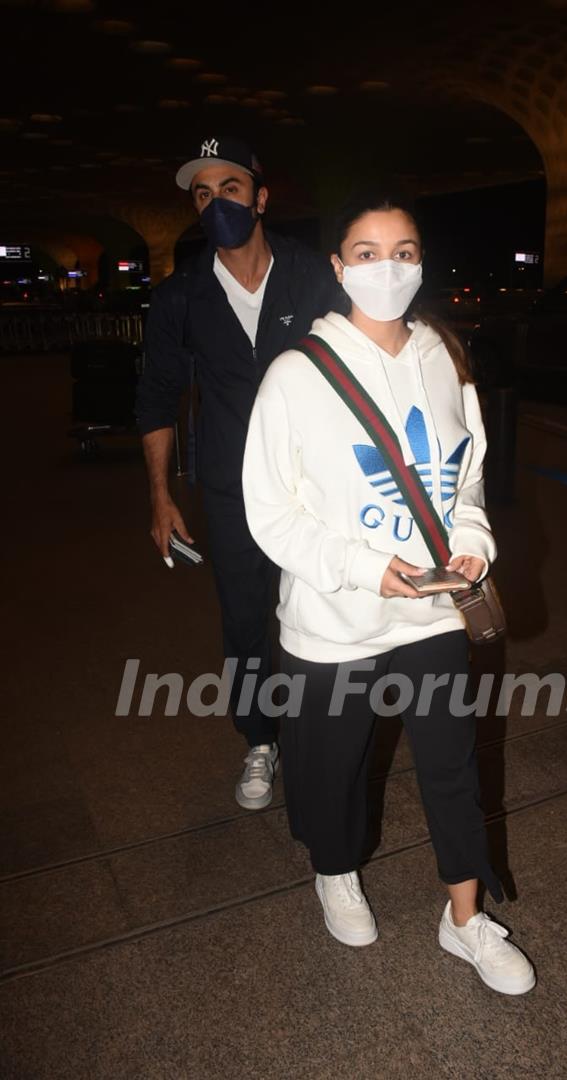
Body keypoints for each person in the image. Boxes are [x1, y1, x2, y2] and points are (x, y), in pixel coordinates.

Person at [242, 192, 536, 995]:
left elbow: (464, 476)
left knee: (452, 767)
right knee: (331, 770)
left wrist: (472, 543)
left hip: (431, 612)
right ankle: (334, 870)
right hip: (335, 622)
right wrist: (362, 567)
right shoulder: (297, 374)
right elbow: (268, 510)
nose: (388, 267)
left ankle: (466, 918)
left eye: (404, 250)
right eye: (367, 252)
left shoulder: (443, 355)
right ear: (337, 268)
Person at [135, 136, 337, 809]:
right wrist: (162, 497)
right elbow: (157, 399)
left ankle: (321, 730)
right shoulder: (180, 298)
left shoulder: (313, 276)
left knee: (320, 611)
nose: (216, 202)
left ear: (259, 197)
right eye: (202, 193)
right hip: (232, 489)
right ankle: (260, 739)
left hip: (317, 485)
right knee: (246, 620)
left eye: (229, 188)